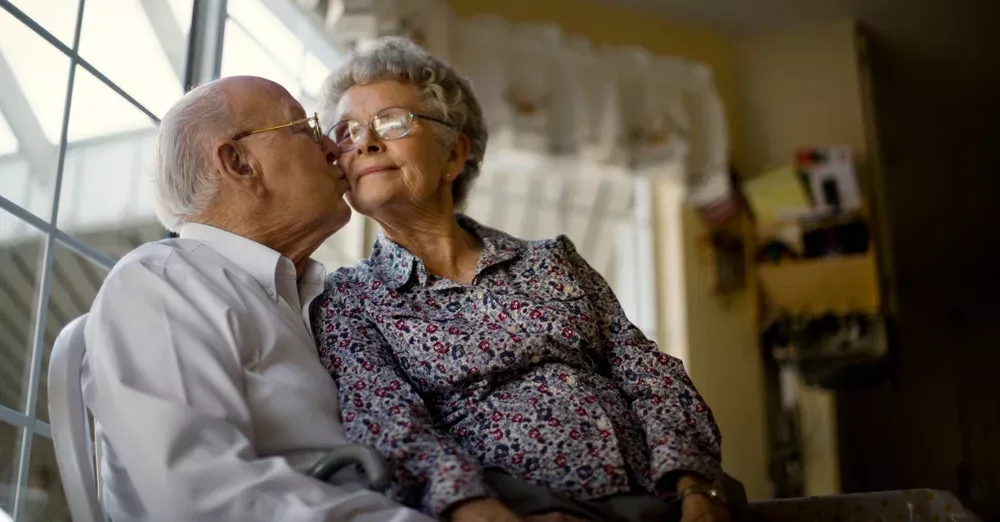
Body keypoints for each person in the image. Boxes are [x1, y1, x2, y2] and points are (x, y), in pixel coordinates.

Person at [311, 38, 734, 522]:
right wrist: (478, 510)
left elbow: (646, 372)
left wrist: (696, 486)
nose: (365, 141)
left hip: (660, 495)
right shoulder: (350, 299)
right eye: (347, 130)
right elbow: (390, 425)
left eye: (391, 121)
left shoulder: (551, 260)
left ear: (453, 155)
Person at [83, 76, 433, 522]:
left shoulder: (314, 301)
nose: (332, 147)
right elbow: (204, 497)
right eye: (304, 129)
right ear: (239, 162)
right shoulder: (161, 283)